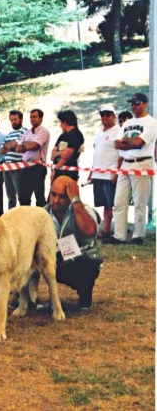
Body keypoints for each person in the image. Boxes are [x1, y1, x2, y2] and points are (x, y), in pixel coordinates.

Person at [104, 93, 157, 245]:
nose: (134, 106)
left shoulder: (151, 123)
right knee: (119, 200)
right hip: (125, 163)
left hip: (142, 163)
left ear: (145, 104)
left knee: (140, 200)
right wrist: (130, 141)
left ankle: (138, 234)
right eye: (132, 103)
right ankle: (119, 234)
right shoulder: (127, 123)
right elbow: (117, 143)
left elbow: (139, 142)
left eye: (137, 103)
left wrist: (129, 142)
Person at [45, 176, 103, 310]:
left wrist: (76, 201)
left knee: (87, 265)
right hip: (54, 260)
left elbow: (89, 231)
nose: (56, 200)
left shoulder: (84, 211)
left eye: (62, 196)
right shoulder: (43, 213)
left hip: (82, 261)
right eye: (53, 195)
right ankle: (26, 297)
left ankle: (85, 293)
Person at [87, 105, 120, 238]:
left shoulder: (118, 131)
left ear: (114, 116)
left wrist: (117, 173)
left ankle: (106, 230)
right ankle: (104, 228)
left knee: (109, 204)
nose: (105, 117)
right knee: (102, 203)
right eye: (103, 114)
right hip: (98, 173)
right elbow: (97, 153)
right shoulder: (100, 132)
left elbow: (121, 154)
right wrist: (91, 171)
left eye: (108, 114)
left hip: (109, 173)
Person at [16, 109, 50, 206]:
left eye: (34, 117)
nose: (32, 119)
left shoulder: (44, 132)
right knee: (23, 197)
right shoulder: (27, 132)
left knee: (39, 197)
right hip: (25, 166)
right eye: (31, 117)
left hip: (37, 167)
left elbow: (34, 146)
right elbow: (18, 148)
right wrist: (26, 145)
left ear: (41, 118)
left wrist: (24, 145)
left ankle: (41, 219)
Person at [0, 110, 27, 209]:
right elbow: (1, 150)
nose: (13, 122)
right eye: (11, 120)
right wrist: (10, 145)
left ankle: (23, 216)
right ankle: (11, 216)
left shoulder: (25, 131)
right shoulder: (9, 134)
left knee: (21, 195)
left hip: (17, 167)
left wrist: (9, 145)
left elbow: (14, 145)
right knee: (10, 195)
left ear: (21, 119)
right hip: (6, 167)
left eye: (15, 119)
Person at [50, 110, 85, 182]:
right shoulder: (62, 135)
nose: (60, 125)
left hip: (68, 172)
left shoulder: (76, 135)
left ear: (65, 122)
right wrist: (60, 153)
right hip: (58, 169)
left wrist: (55, 170)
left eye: (61, 122)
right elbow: (53, 154)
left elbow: (67, 155)